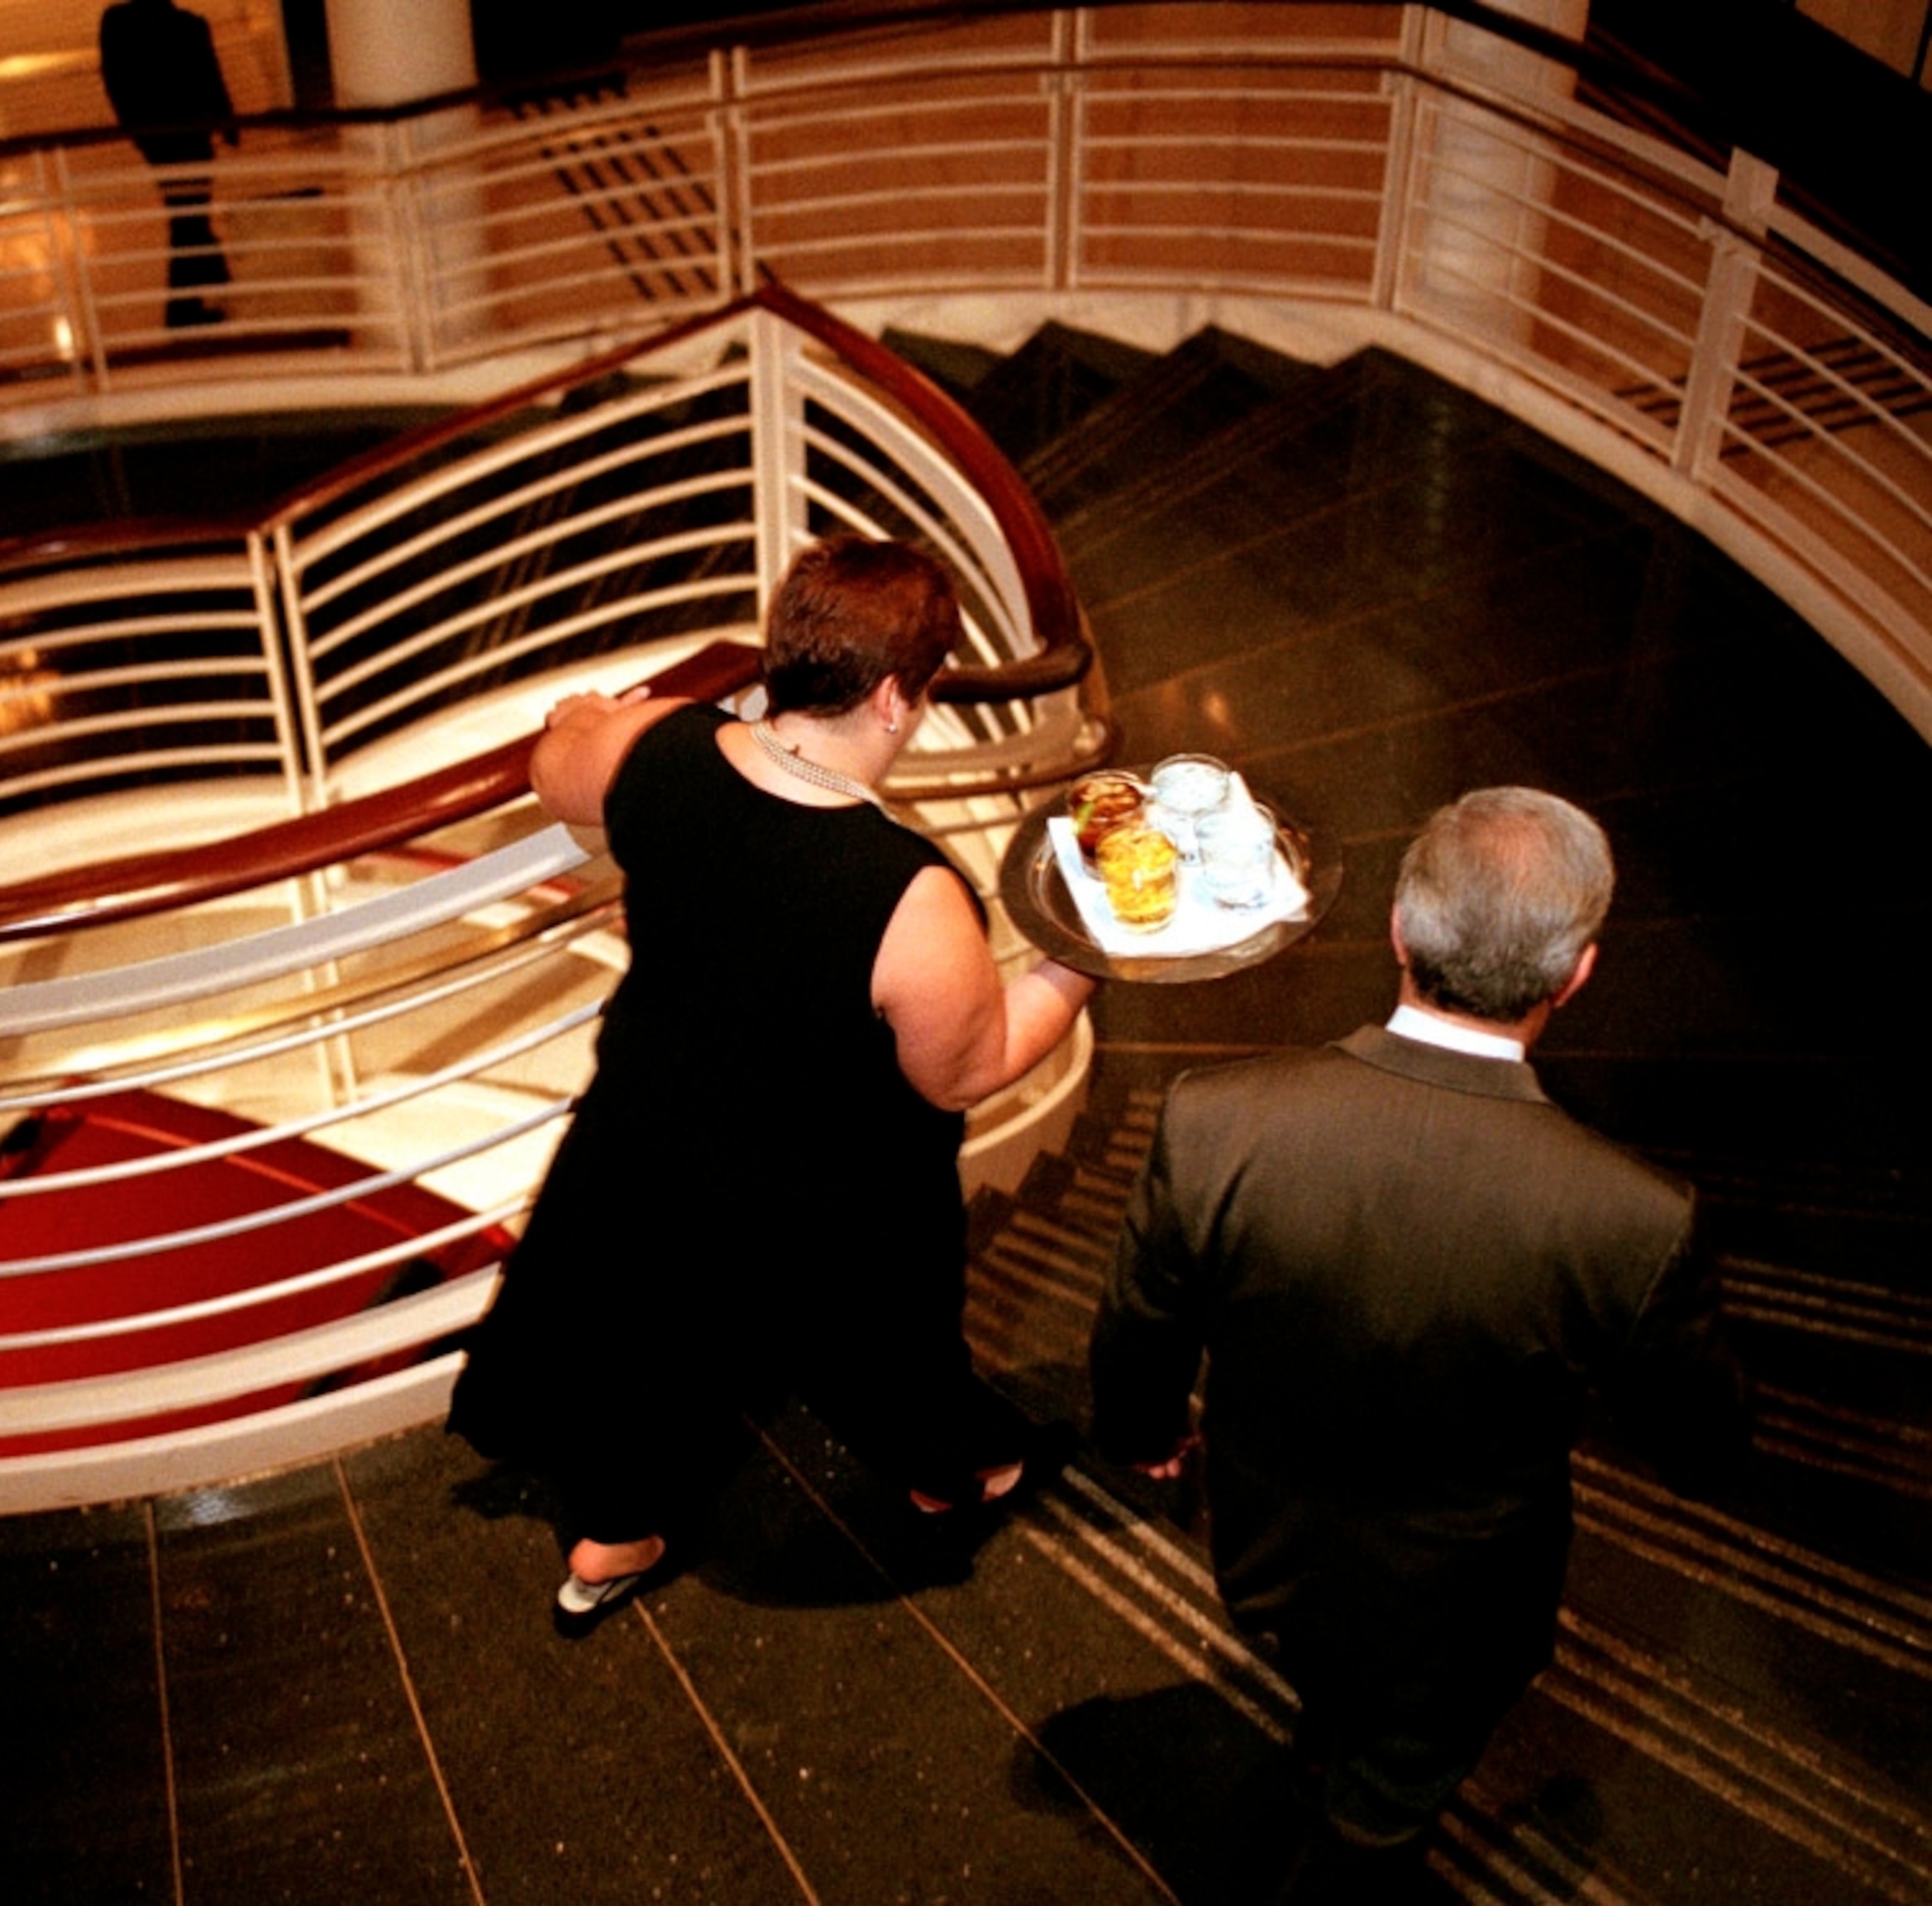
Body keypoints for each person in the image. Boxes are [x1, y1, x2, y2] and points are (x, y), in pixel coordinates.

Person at [1085, 786, 1748, 1901]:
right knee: (1389, 1795)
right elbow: (1704, 1445)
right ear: (1576, 972)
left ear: (1399, 924)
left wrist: (1144, 1433)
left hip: (1267, 1547)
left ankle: (1323, 1772)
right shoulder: (1633, 1219)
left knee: (1326, 1700)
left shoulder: (1217, 1119)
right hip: (1460, 1606)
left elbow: (1141, 1319)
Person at [448, 536, 1099, 1636]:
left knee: (645, 1328)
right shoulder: (911, 892)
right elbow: (967, 1071)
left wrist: (586, 716)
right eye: (930, 687)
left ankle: (610, 1540)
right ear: (895, 697)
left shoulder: (660, 747)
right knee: (887, 1330)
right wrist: (1083, 951)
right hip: (820, 1189)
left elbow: (555, 761)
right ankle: (946, 1471)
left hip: (651, 1131)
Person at [98, 0, 241, 329]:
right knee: (188, 217)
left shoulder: (120, 23)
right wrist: (227, 123)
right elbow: (210, 78)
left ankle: (203, 279)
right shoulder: (188, 26)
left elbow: (116, 80)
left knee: (187, 214)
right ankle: (185, 306)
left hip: (165, 138)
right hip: (186, 136)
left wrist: (136, 129)